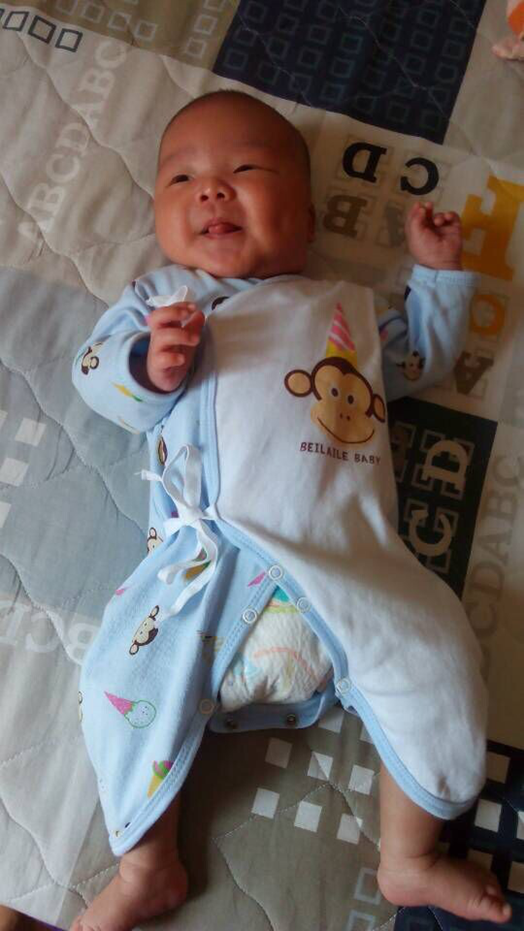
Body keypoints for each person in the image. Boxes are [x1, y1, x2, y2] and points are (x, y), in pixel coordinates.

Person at [71, 90, 512, 931]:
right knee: (113, 679)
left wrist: (438, 276)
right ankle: (148, 864)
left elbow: (422, 355)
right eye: (182, 178)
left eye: (245, 169)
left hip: (354, 564)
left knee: (443, 652)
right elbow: (94, 374)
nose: (211, 189)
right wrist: (147, 364)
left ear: (308, 218)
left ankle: (410, 858)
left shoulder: (347, 307)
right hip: (207, 574)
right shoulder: (163, 299)